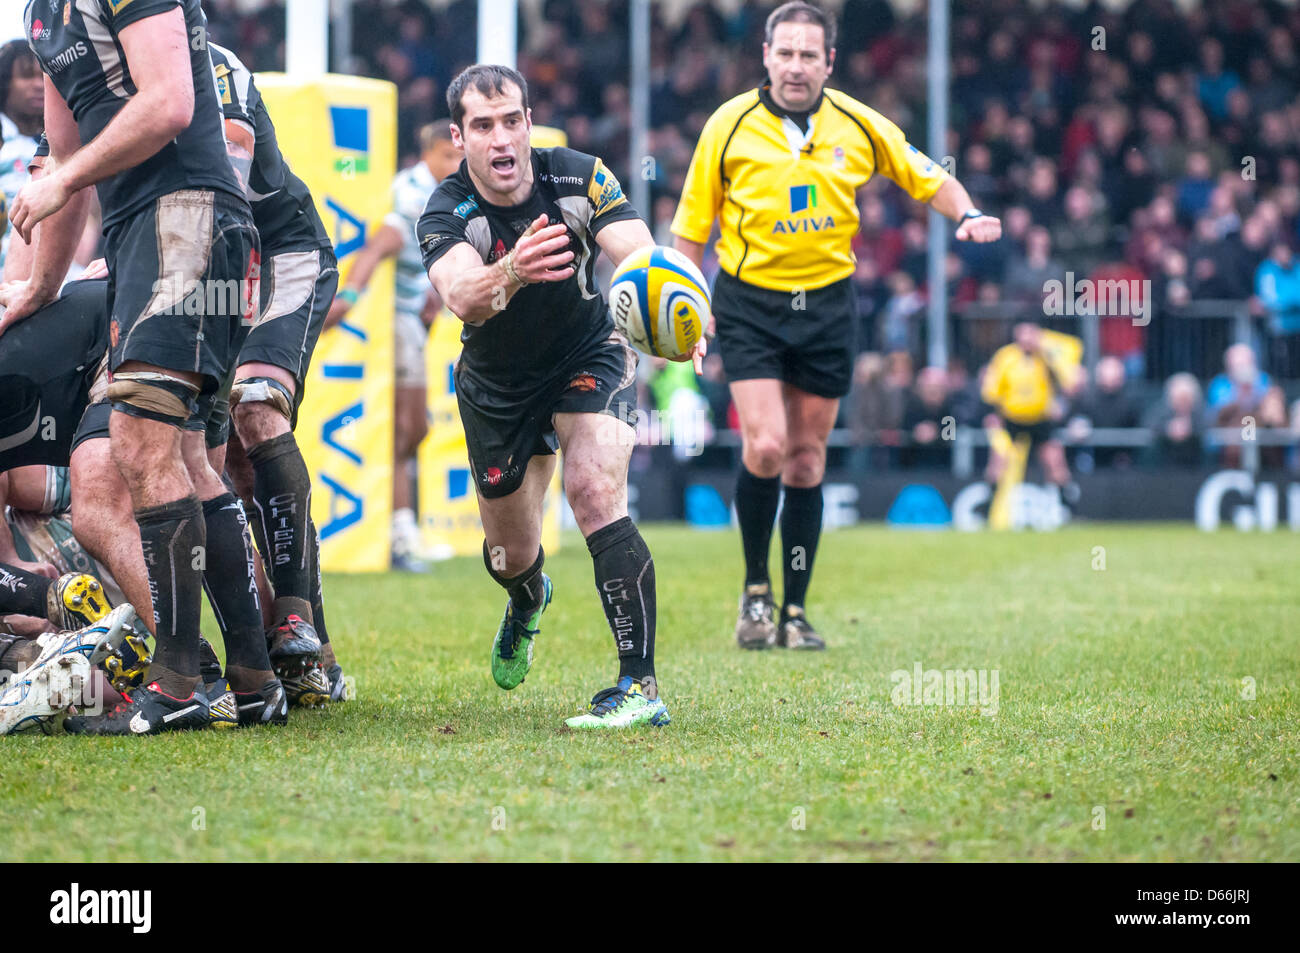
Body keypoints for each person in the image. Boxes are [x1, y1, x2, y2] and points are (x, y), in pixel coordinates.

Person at [671, 1, 1001, 650]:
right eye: (784, 53)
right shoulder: (728, 125)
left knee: (805, 459)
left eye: (808, 55)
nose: (796, 66)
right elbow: (689, 232)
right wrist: (689, 302)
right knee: (764, 446)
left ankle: (795, 610)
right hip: (750, 304)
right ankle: (756, 591)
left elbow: (925, 173)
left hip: (825, 306)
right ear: (765, 56)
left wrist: (965, 212)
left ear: (829, 61)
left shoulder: (857, 122)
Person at [1, 0, 274, 735]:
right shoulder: (39, 14)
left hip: (185, 215)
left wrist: (63, 181)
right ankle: (252, 678)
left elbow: (170, 101)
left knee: (140, 444)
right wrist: (38, 286)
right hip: (141, 234)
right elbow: (66, 162)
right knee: (183, 453)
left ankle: (183, 681)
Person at [419, 64, 673, 729]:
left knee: (593, 490)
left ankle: (638, 685)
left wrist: (677, 314)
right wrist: (513, 267)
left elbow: (639, 254)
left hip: (590, 354)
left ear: (529, 122)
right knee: (510, 553)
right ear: (459, 136)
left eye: (511, 121)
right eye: (482, 126)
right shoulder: (445, 209)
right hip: (496, 385)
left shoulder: (578, 175)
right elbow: (461, 297)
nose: (500, 140)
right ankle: (528, 598)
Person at [208, 42, 345, 707]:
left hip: (279, 251)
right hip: (192, 263)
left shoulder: (210, 59)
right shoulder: (96, 70)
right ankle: (299, 653)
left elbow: (227, 187)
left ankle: (293, 613)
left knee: (256, 406)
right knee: (224, 462)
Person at [327, 121, 463, 571]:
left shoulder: (445, 193)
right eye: (448, 155)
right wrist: (347, 297)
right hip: (395, 325)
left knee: (409, 431)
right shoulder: (413, 194)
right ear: (425, 156)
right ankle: (397, 532)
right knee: (407, 430)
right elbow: (380, 244)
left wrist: (434, 293)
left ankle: (397, 526)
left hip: (411, 322)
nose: (456, 164)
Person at [981, 323, 1078, 504]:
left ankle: (1068, 508)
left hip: (1040, 419)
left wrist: (1049, 354)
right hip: (1011, 418)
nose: (1026, 339)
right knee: (998, 462)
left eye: (1030, 334)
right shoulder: (1006, 357)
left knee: (1055, 463)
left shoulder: (1049, 357)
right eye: (1022, 334)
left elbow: (1069, 383)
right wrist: (992, 413)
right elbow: (992, 388)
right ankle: (988, 508)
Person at [0, 40, 43, 275]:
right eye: (27, 77)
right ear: (5, 81)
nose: (39, 85)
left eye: (43, 76)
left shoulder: (56, 142)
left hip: (46, 276)